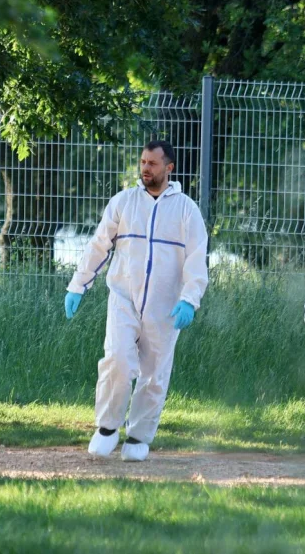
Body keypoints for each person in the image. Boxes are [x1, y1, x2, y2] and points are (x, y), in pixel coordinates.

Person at [64, 141, 209, 462]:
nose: (145, 168)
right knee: (116, 359)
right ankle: (106, 428)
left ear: (169, 168)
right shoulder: (123, 202)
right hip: (123, 299)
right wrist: (78, 285)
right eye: (143, 162)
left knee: (154, 372)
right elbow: (99, 245)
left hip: (165, 306)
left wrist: (189, 299)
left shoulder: (187, 209)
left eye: (153, 163)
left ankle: (139, 436)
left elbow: (197, 260)